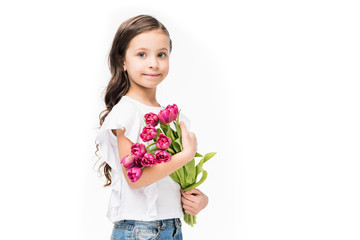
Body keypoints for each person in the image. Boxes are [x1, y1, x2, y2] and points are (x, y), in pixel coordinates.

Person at [95, 15, 208, 240]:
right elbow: (136, 179)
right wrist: (186, 156)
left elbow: (172, 178)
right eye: (141, 54)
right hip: (140, 230)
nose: (153, 63)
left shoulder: (173, 117)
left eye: (161, 54)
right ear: (122, 62)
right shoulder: (126, 113)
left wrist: (198, 199)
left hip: (172, 226)